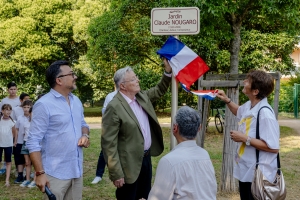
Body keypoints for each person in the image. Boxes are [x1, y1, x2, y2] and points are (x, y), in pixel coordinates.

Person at [101, 58, 172, 200]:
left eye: (136, 78)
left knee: (145, 196)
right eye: (133, 79)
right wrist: (116, 173)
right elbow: (108, 143)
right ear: (123, 86)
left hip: (146, 159)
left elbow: (159, 90)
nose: (137, 80)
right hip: (128, 166)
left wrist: (168, 72)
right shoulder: (114, 107)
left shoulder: (141, 96)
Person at [27, 60, 90, 199]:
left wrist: (85, 135)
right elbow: (33, 141)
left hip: (76, 170)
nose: (75, 77)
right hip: (55, 174)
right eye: (71, 74)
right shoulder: (44, 105)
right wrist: (39, 173)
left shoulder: (76, 101)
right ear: (59, 80)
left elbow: (83, 124)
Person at [217, 70, 280, 200]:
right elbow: (239, 111)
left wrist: (244, 138)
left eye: (248, 81)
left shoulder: (265, 114)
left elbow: (273, 148)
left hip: (259, 175)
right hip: (247, 170)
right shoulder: (250, 105)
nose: (244, 82)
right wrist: (227, 100)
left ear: (255, 91)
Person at [148, 106, 217, 200]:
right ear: (199, 128)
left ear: (175, 128)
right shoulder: (204, 154)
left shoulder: (168, 161)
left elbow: (159, 197)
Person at [91, 89, 117, 184]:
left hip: (126, 131)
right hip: (112, 129)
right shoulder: (111, 96)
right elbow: (104, 112)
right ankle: (98, 175)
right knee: (104, 152)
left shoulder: (132, 95)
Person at [0, 82, 20, 174]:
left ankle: (17, 168)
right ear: (8, 90)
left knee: (16, 148)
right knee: (5, 145)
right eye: (11, 89)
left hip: (16, 126)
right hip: (5, 126)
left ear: (17, 89)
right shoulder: (4, 101)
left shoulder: (19, 100)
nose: (13, 91)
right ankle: (5, 165)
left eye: (14, 89)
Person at [14, 100, 33, 185]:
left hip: (29, 142)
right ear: (22, 108)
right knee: (19, 159)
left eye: (28, 107)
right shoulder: (19, 118)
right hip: (20, 141)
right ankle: (20, 175)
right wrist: (15, 141)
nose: (26, 109)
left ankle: (28, 176)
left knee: (29, 161)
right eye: (24, 107)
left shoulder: (33, 118)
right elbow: (17, 130)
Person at [0, 104, 17, 186]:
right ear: (2, 111)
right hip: (0, 144)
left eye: (10, 110)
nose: (8, 111)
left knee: (8, 162)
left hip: (8, 144)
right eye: (6, 109)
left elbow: (14, 133)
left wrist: (14, 142)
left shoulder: (12, 122)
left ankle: (7, 180)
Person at [20, 106, 36, 188]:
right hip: (26, 142)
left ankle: (35, 180)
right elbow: (23, 133)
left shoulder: (38, 124)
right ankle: (27, 179)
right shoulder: (25, 123)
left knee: (36, 163)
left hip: (35, 143)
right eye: (32, 113)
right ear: (29, 113)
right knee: (27, 163)